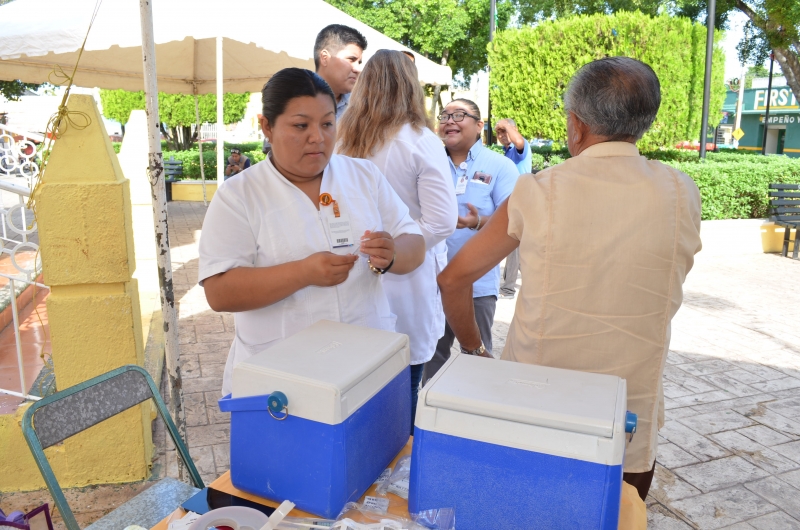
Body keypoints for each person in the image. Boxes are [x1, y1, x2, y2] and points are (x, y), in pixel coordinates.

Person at [437, 57, 702, 501]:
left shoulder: (538, 190)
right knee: (619, 514)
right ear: (644, 123)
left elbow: (453, 279)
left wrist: (474, 350)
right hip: (628, 415)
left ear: (576, 125)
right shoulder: (681, 190)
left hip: (536, 407)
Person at [199, 68, 426, 395]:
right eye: (301, 125)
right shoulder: (239, 195)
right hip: (282, 378)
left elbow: (414, 243)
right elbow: (219, 292)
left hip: (366, 365)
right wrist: (302, 272)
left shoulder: (363, 175)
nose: (317, 137)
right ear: (267, 126)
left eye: (327, 124)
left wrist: (392, 255)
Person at [337, 50, 457, 428]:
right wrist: (394, 248)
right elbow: (441, 221)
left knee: (355, 391)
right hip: (405, 275)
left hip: (351, 275)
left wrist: (368, 246)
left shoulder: (342, 137)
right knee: (400, 399)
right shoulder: (420, 141)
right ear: (410, 88)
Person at [421, 98, 519, 384]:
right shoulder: (428, 163)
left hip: (477, 286)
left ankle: (475, 421)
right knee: (432, 358)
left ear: (479, 125)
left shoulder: (500, 166)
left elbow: (516, 221)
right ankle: (430, 418)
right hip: (430, 282)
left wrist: (477, 222)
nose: (449, 120)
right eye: (445, 115)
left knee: (476, 360)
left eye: (459, 115)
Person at [495, 118, 532, 300]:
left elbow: (518, 141)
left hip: (521, 203)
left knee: (512, 245)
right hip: (514, 203)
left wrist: (507, 126)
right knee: (519, 246)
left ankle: (508, 289)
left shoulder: (520, 148)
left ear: (514, 129)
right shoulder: (507, 153)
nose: (502, 136)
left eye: (505, 131)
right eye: (499, 133)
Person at [314, 24, 368, 119]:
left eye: (359, 62)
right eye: (351, 59)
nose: (358, 69)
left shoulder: (361, 108)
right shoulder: (290, 100)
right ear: (325, 58)